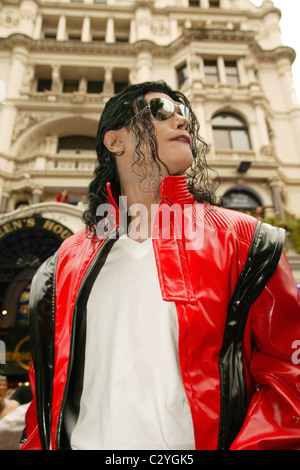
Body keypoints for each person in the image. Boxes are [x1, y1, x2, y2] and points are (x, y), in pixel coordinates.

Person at [21, 81, 300, 451]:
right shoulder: (60, 268)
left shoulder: (250, 242)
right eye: (161, 112)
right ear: (115, 141)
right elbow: (45, 398)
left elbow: (288, 376)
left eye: (184, 115)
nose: (182, 122)